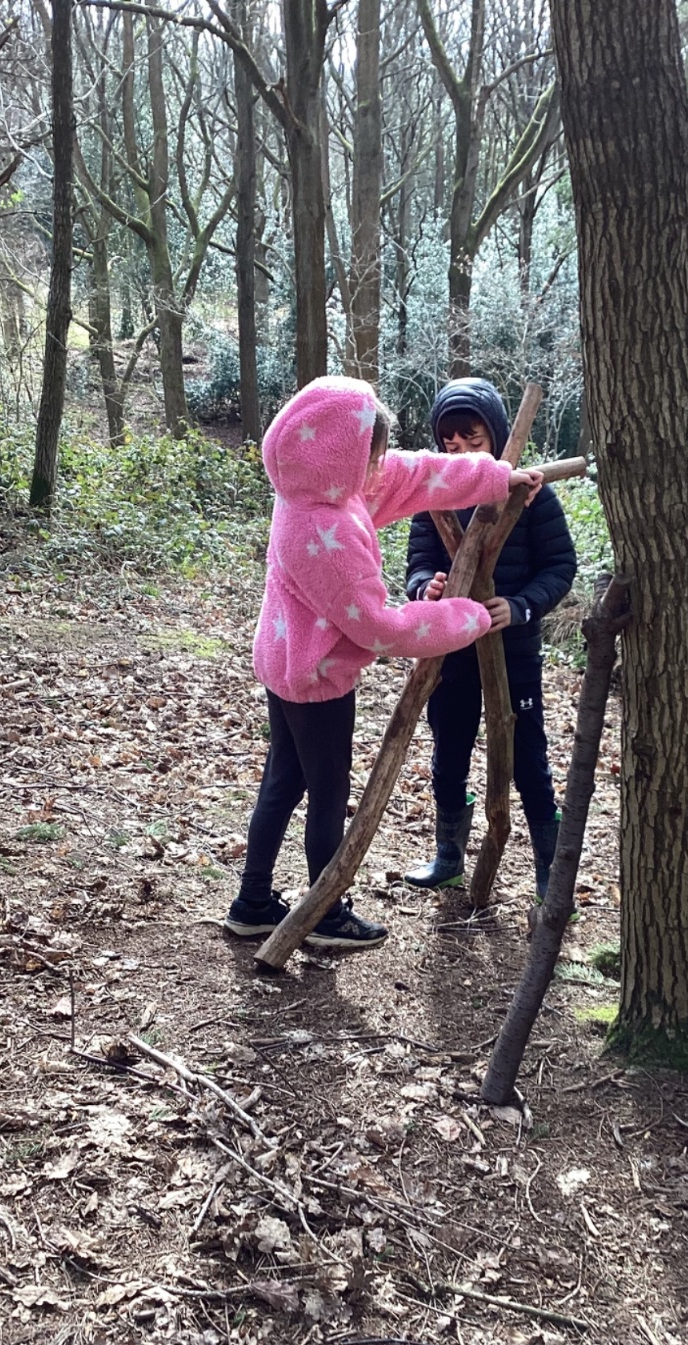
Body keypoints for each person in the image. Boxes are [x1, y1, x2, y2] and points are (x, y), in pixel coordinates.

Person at [224, 376, 542, 951]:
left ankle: (252, 903)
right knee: (325, 793)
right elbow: (380, 626)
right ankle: (325, 914)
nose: (376, 463)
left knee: (284, 780)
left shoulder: (316, 486)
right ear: (343, 452)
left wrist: (497, 476)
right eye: (370, 452)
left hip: (286, 660)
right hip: (315, 675)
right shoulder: (324, 529)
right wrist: (467, 616)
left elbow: (412, 474)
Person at [403, 379, 577, 899]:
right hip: (452, 650)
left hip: (513, 652)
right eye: (450, 444)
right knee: (449, 749)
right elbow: (418, 564)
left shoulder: (531, 495)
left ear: (497, 436)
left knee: (528, 758)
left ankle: (550, 871)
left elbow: (560, 566)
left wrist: (520, 606)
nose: (462, 452)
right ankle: (448, 856)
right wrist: (426, 588)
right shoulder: (434, 497)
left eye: (473, 440)